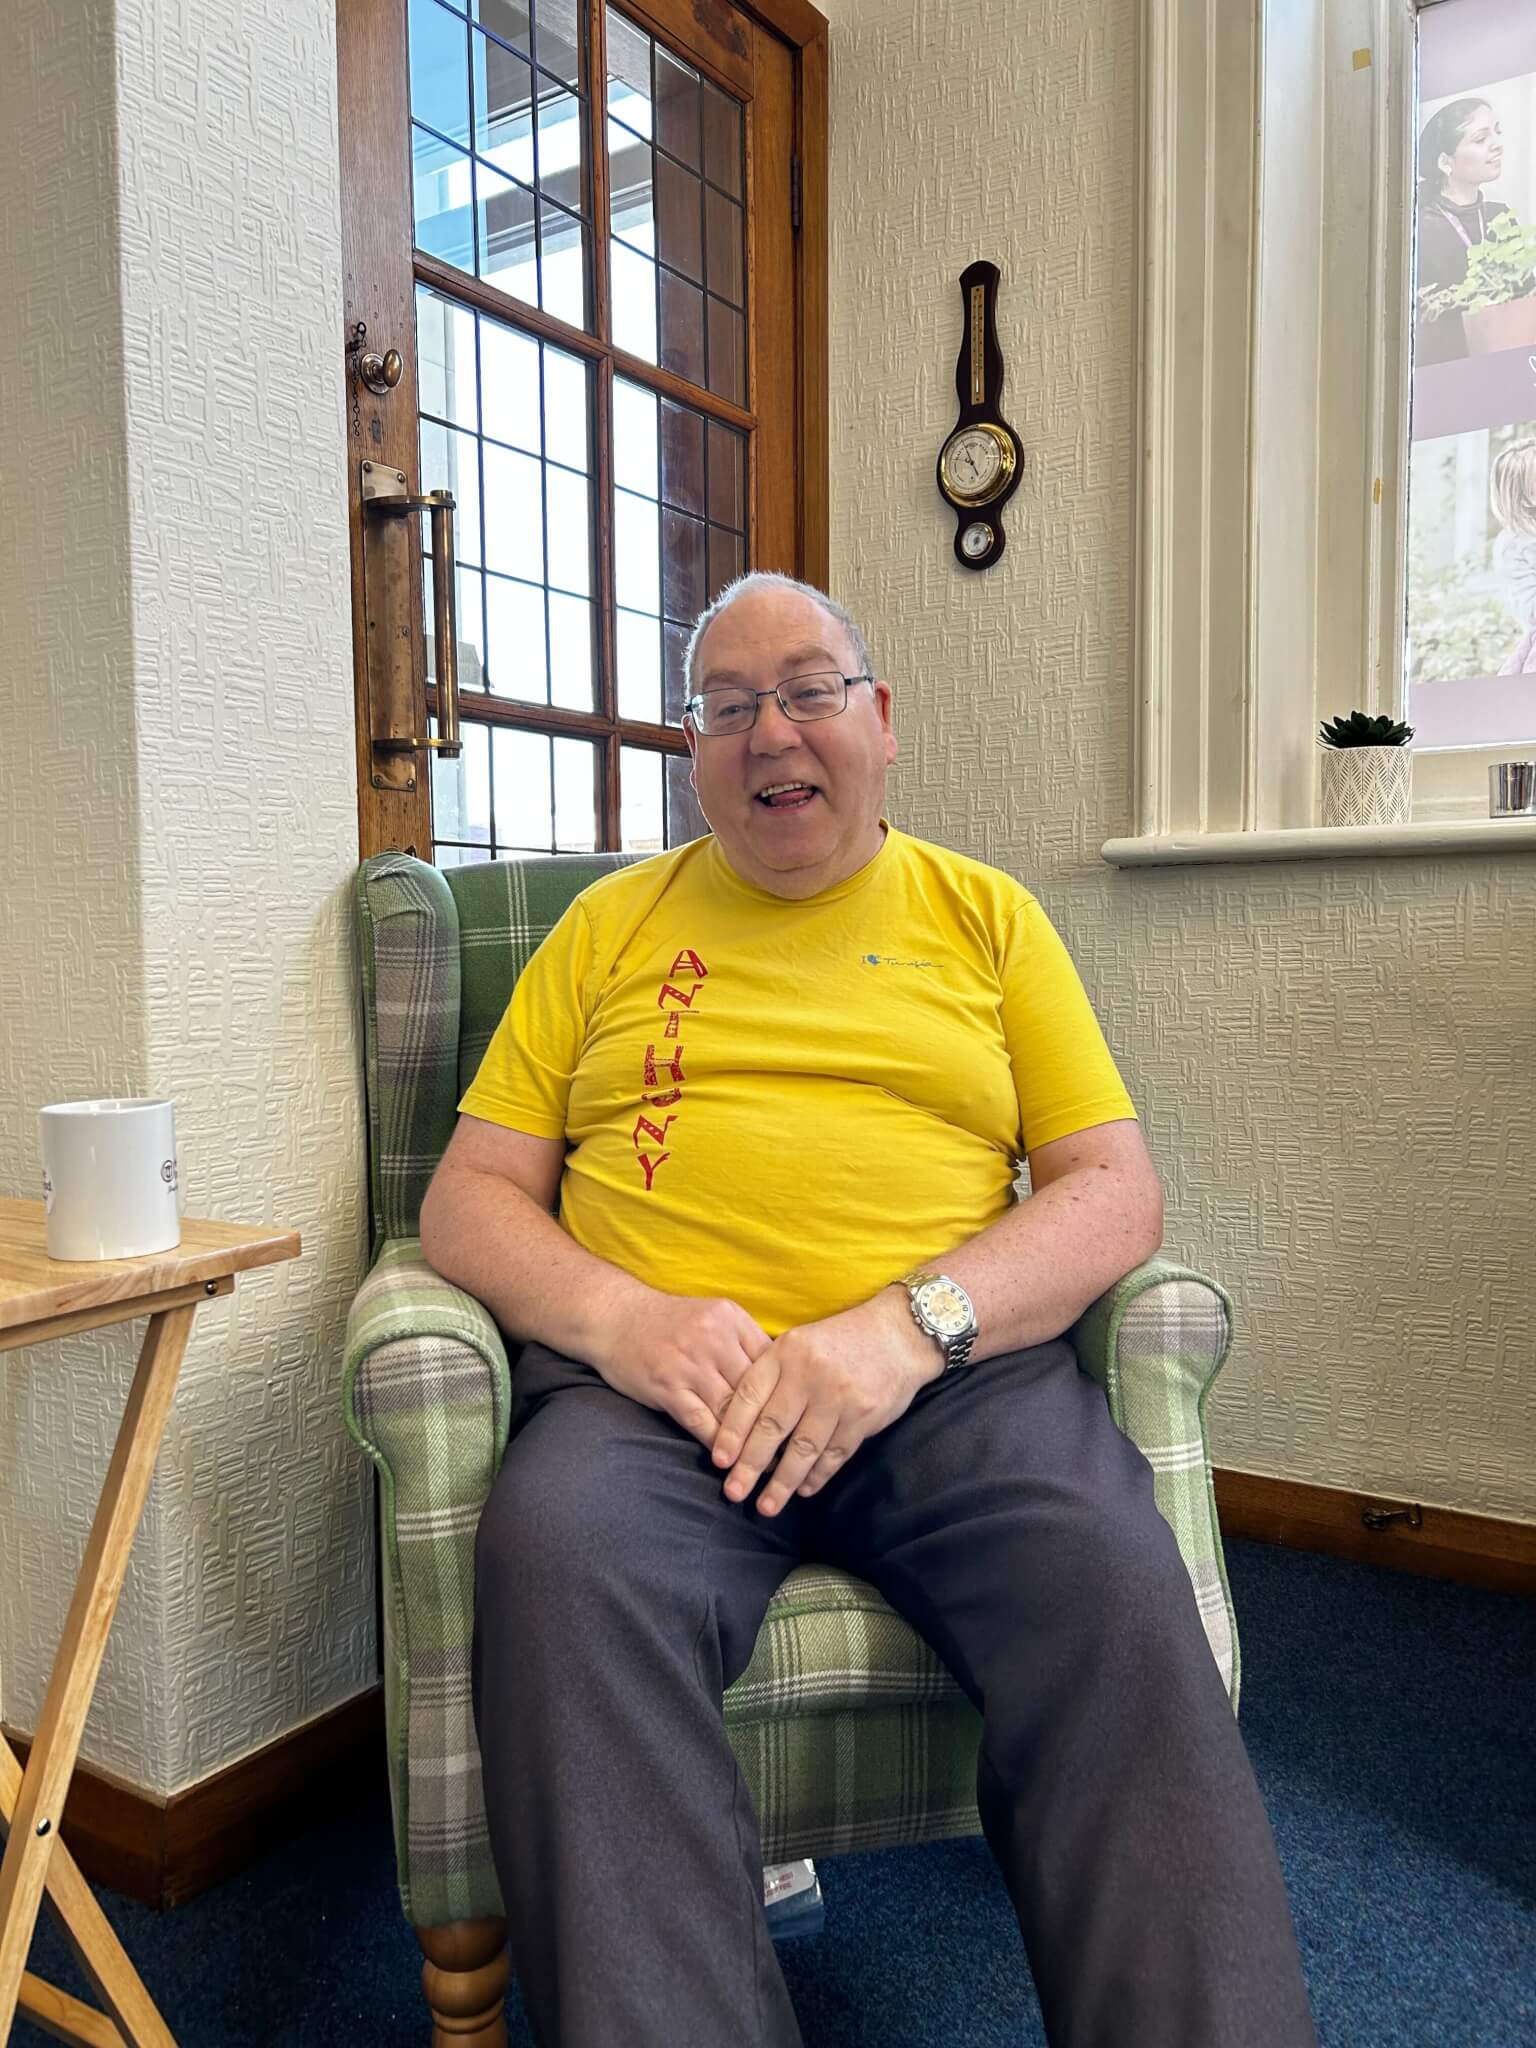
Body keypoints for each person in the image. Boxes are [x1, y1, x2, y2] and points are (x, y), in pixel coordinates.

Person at [420, 572, 1320, 2048]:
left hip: (953, 1384)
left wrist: (909, 1328)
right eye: (727, 706)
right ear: (694, 748)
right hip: (658, 1402)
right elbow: (469, 1197)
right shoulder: (604, 929)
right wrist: (622, 1321)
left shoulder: (988, 916)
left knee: (1108, 1578)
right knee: (561, 1561)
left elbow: (1112, 1190)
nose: (771, 732)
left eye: (808, 690)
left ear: (881, 718)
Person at [1415, 96, 1528, 366]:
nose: (1497, 145)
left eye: (1497, 132)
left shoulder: (1501, 216)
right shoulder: (1420, 229)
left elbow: (1527, 295)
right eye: (1480, 139)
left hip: (1511, 361)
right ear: (1446, 162)